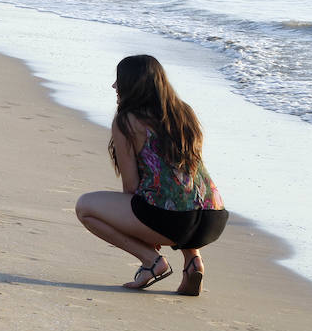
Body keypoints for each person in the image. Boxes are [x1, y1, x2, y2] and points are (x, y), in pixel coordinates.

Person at [75, 55, 228, 296]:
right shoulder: (185, 112)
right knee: (181, 194)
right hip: (213, 217)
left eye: (119, 80)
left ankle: (152, 262)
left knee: (84, 207)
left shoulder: (127, 120)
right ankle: (192, 262)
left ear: (134, 84)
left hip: (172, 220)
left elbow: (131, 186)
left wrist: (140, 227)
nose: (114, 86)